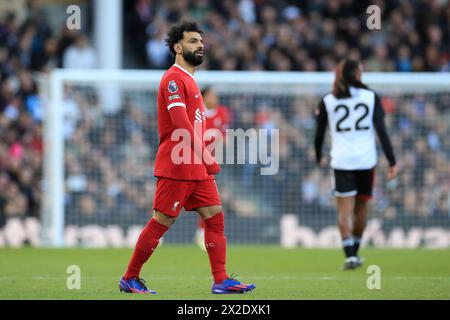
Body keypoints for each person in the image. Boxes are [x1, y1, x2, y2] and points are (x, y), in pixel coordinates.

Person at [119, 21, 255, 294]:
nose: (200, 45)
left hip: (194, 164)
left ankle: (220, 280)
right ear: (178, 47)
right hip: (178, 163)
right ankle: (129, 277)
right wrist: (206, 156)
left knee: (215, 217)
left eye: (201, 41)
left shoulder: (190, 80)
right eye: (193, 41)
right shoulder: (173, 79)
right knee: (162, 220)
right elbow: (181, 123)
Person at [314, 59, 398, 270]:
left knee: (344, 210)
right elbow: (382, 131)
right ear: (358, 74)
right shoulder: (371, 97)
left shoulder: (328, 99)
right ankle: (356, 251)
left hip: (341, 161)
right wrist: (391, 161)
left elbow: (319, 132)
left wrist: (318, 155)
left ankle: (350, 256)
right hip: (365, 160)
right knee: (361, 208)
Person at [194, 86, 230, 251]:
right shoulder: (196, 113)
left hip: (212, 165)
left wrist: (224, 140)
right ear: (204, 97)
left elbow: (224, 136)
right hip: (193, 163)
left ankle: (203, 233)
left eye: (216, 96)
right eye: (212, 96)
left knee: (211, 202)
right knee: (177, 201)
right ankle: (159, 233)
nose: (215, 99)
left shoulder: (222, 113)